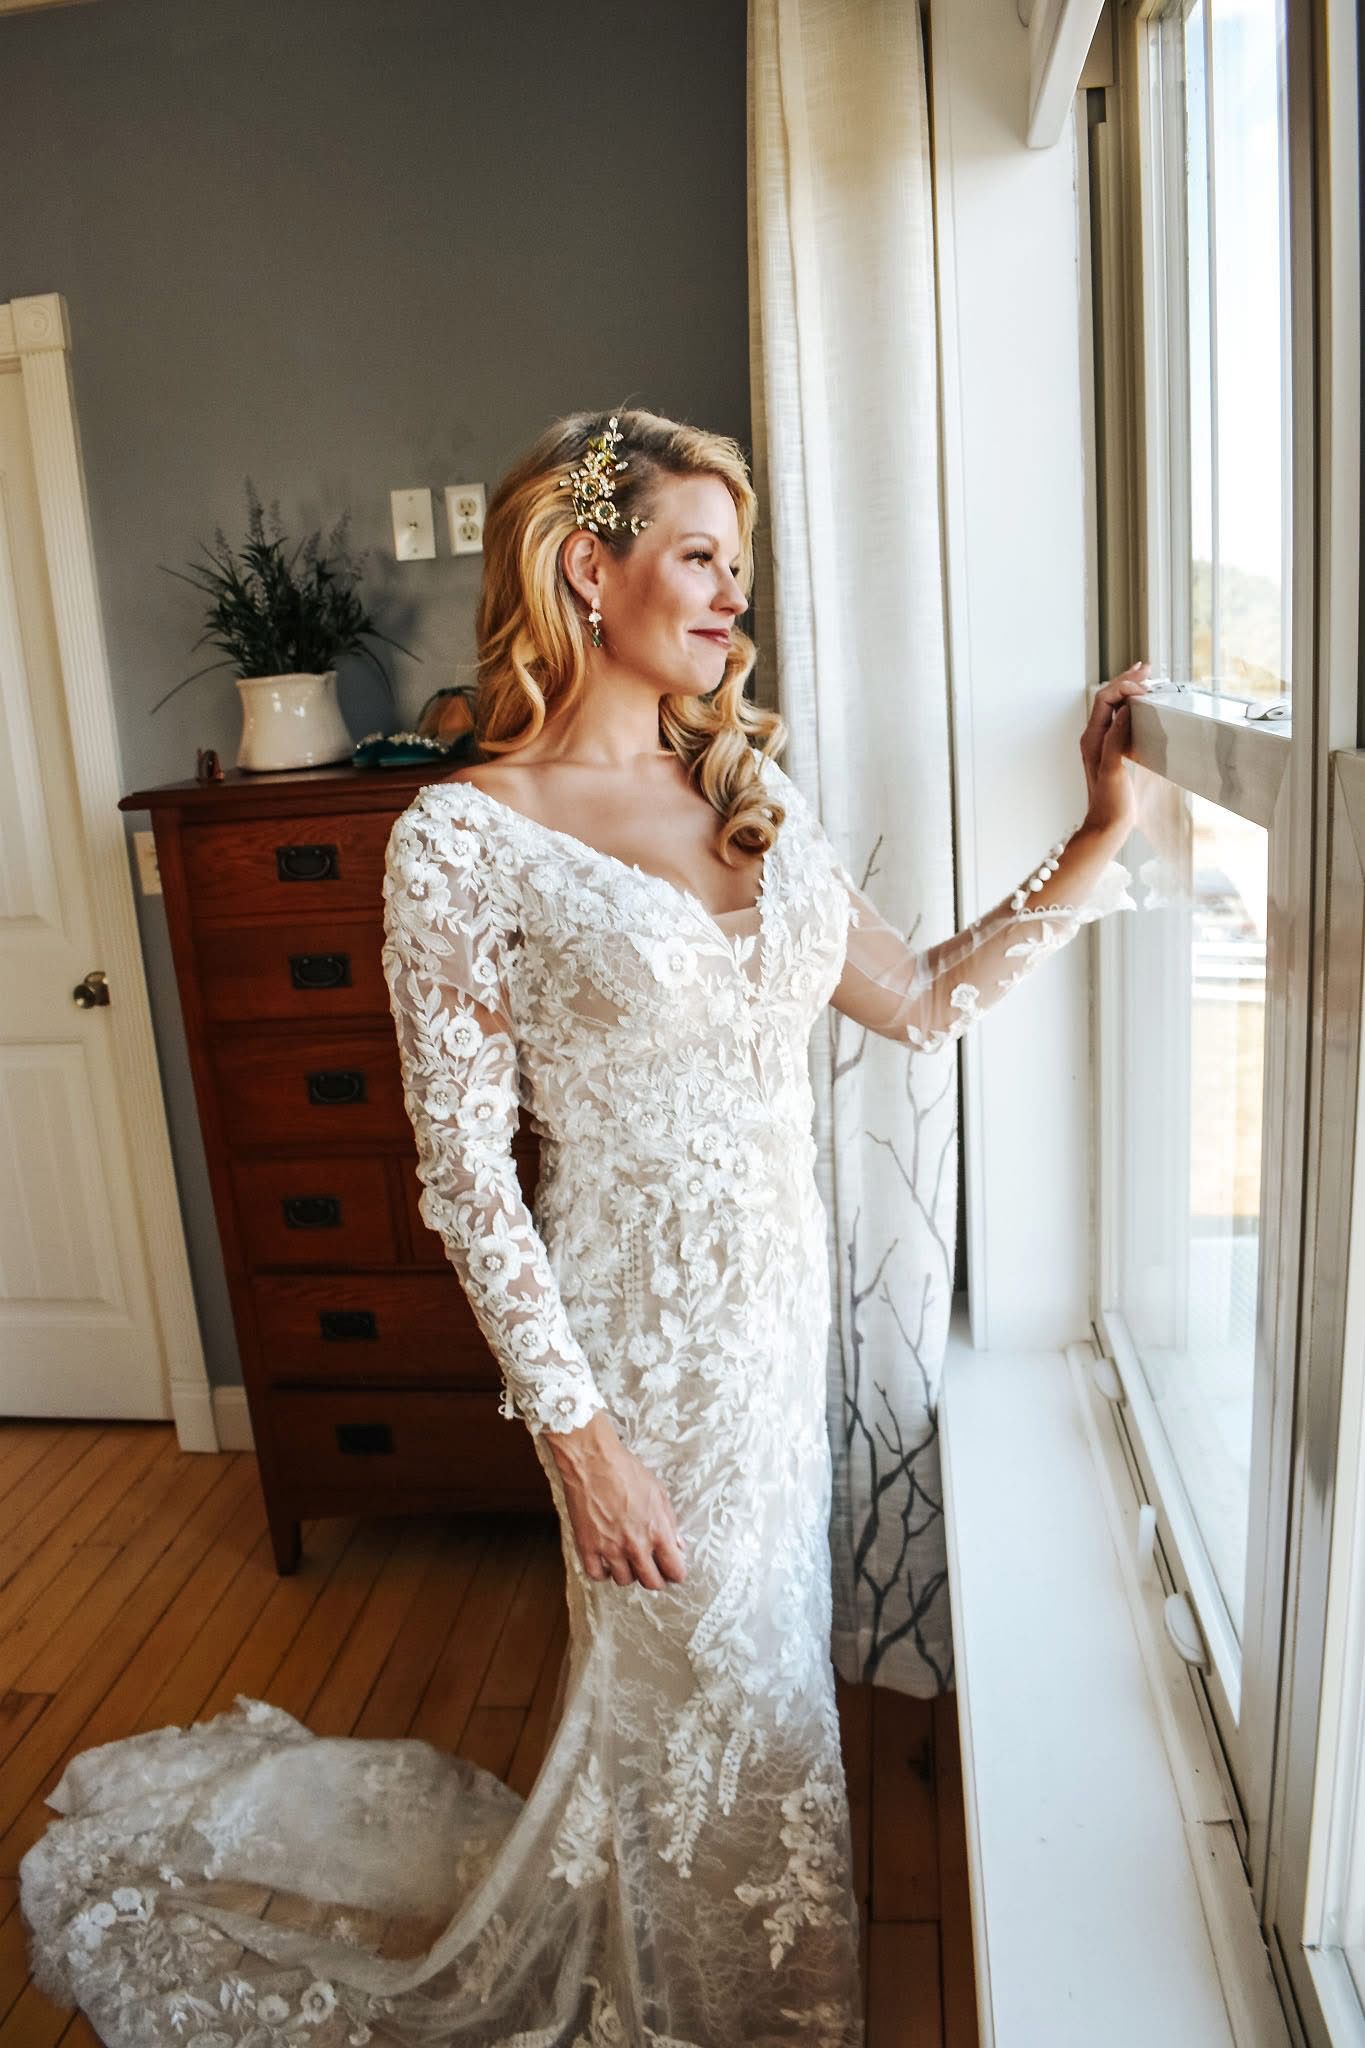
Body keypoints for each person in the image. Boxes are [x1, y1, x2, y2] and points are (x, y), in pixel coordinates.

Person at [18, 406, 1149, 2047]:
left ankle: (742, 1985)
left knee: (756, 1678)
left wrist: (1101, 835)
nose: (732, 599)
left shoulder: (744, 790)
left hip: (772, 1331)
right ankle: (707, 2006)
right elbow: (465, 1177)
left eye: (738, 567)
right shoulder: (462, 837)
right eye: (700, 558)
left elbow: (914, 999)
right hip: (630, 1358)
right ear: (583, 569)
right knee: (702, 1674)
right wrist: (582, 1442)